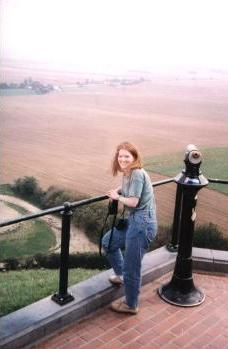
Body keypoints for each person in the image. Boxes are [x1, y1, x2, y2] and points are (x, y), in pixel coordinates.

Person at [102, 141, 157, 314]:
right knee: (108, 242)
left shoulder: (137, 174)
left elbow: (134, 201)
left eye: (127, 156)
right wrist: (117, 191)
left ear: (134, 157)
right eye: (120, 156)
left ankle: (131, 304)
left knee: (132, 266)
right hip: (133, 221)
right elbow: (127, 188)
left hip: (142, 224)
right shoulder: (128, 173)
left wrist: (116, 198)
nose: (123, 159)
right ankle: (121, 276)